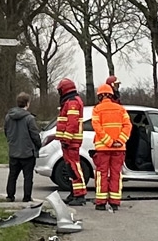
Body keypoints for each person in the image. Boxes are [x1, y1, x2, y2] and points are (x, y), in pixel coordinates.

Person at [91, 81, 131, 211]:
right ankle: (115, 201)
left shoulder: (97, 109)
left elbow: (97, 128)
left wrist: (108, 141)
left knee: (102, 174)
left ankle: (101, 202)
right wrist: (120, 140)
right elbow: (128, 126)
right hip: (119, 148)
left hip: (103, 148)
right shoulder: (121, 109)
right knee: (116, 174)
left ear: (100, 96)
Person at [53, 77, 89, 203]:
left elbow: (72, 123)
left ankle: (79, 195)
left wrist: (66, 139)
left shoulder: (72, 102)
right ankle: (74, 193)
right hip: (69, 142)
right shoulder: (70, 101)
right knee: (70, 168)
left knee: (74, 168)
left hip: (71, 142)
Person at [3, 92, 42, 202]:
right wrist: (38, 145)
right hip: (27, 152)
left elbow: (6, 131)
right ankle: (27, 197)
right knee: (28, 177)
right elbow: (34, 134)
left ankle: (10, 196)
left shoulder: (8, 117)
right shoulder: (29, 118)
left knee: (12, 175)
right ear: (27, 103)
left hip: (13, 151)